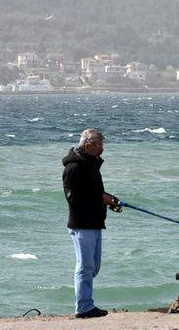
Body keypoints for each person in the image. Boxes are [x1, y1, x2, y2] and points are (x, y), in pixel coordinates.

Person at [62, 129, 120, 319]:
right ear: (88, 145)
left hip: (95, 222)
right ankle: (84, 307)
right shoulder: (73, 168)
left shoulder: (90, 165)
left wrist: (107, 200)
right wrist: (100, 198)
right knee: (85, 267)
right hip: (81, 224)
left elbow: (93, 192)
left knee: (94, 267)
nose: (102, 149)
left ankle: (85, 302)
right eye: (99, 145)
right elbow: (74, 199)